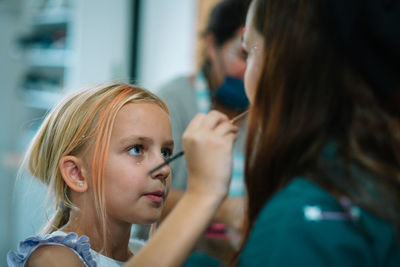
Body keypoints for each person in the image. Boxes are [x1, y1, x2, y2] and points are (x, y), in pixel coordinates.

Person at [7, 82, 238, 266]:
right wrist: (201, 194)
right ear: (77, 173)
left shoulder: (142, 254)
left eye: (166, 152)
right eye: (137, 149)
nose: (165, 168)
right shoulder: (52, 259)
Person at [157, 0, 249, 262]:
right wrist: (224, 209)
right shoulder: (172, 102)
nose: (252, 70)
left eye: (260, 56)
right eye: (243, 55)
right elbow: (139, 195)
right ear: (212, 46)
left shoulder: (262, 115)